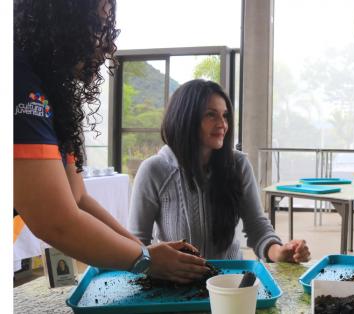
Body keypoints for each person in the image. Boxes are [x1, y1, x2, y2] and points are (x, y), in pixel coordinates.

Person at [14, 0, 210, 284]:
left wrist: (145, 251)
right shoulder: (18, 81)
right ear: (59, 20)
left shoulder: (52, 93)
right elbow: (55, 222)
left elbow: (77, 198)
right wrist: (145, 261)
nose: (107, 47)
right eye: (100, 28)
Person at [128, 79, 311, 264]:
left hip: (229, 279)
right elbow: (137, 244)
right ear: (186, 118)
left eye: (225, 116)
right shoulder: (154, 170)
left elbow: (257, 227)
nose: (222, 124)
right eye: (211, 115)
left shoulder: (238, 165)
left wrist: (279, 252)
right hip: (178, 283)